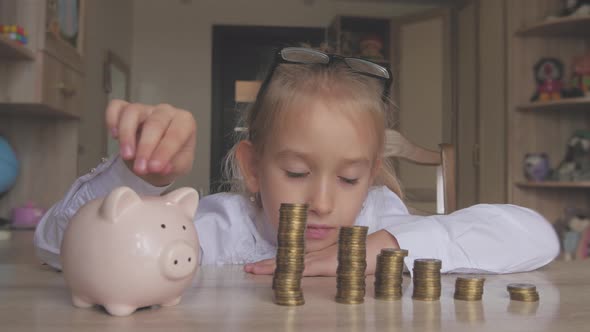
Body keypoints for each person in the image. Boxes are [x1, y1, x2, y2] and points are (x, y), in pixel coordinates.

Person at [34, 47, 559, 276]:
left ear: (371, 176)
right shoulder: (215, 226)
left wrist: (388, 246)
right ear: (253, 166)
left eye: (350, 177)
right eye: (297, 173)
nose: (325, 202)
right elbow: (59, 250)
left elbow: (536, 236)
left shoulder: (381, 217)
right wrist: (139, 177)